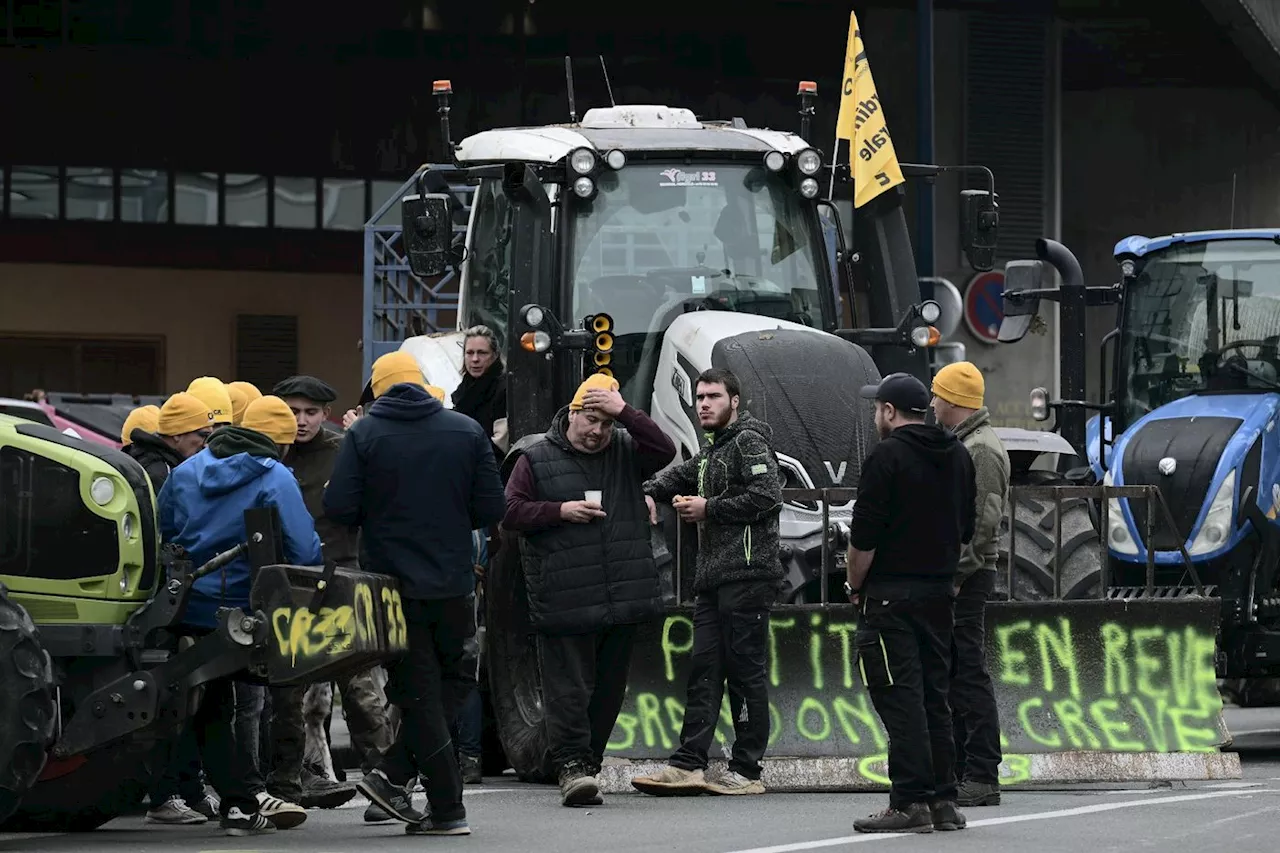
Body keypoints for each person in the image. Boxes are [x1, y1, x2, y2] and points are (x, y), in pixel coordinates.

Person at [325, 351, 505, 837]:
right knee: (452, 682)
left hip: (390, 587)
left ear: (378, 391)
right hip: (452, 582)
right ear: (424, 385)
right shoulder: (466, 430)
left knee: (417, 689)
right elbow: (490, 507)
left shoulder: (363, 433)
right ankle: (400, 779)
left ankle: (435, 801)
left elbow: (339, 505)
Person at [503, 373, 675, 806]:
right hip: (565, 597)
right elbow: (509, 511)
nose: (598, 432)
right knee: (568, 690)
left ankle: (589, 764)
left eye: (607, 423)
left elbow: (665, 450)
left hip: (622, 597)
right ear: (573, 414)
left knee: (608, 690)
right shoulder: (535, 455)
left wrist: (626, 413)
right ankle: (571, 767)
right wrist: (560, 510)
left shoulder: (624, 448)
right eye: (592, 420)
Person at [157, 394, 320, 836]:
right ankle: (250, 795)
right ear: (281, 443)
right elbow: (304, 549)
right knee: (259, 701)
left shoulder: (185, 471)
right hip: (249, 611)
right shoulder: (275, 475)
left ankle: (238, 802)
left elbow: (166, 533)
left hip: (189, 607)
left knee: (209, 706)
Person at [632, 368, 782, 798]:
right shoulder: (712, 450)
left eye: (713, 396)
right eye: (699, 397)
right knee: (705, 670)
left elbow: (768, 496)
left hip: (748, 576)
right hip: (714, 579)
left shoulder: (749, 442)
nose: (703, 404)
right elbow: (676, 476)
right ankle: (688, 763)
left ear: (734, 401)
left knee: (743, 673)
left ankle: (747, 770)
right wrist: (647, 491)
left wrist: (708, 508)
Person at [844, 372, 976, 834]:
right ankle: (944, 800)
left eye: (876, 408)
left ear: (888, 411)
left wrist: (854, 585)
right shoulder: (958, 454)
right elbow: (966, 529)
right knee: (935, 699)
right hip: (939, 596)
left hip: (888, 600)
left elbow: (864, 540)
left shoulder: (886, 456)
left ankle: (909, 800)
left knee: (901, 700)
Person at [272, 374, 391, 808]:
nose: (300, 421)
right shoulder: (268, 452)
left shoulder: (345, 450)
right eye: (291, 411)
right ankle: (291, 779)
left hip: (342, 577)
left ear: (325, 415)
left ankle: (384, 779)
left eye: (309, 412)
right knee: (288, 692)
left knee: (360, 688)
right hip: (286, 583)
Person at [930, 362, 1009, 808]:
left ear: (956, 402)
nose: (932, 402)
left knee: (968, 673)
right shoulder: (967, 443)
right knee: (958, 671)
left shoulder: (981, 450)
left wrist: (956, 577)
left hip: (969, 576)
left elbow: (982, 524)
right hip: (964, 572)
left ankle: (981, 774)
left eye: (938, 394)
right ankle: (967, 770)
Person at [450, 325, 508, 784]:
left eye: (482, 352)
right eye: (469, 351)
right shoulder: (461, 393)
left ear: (495, 355)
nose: (474, 358)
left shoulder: (503, 391)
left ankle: (468, 754)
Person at [125, 392, 214, 491]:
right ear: (177, 434)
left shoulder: (165, 463)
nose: (206, 444)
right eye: (203, 435)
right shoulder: (158, 472)